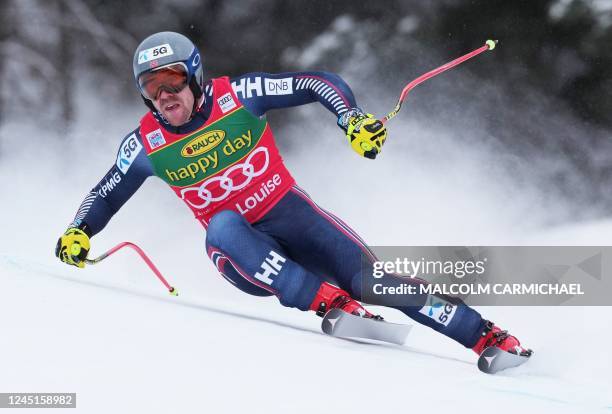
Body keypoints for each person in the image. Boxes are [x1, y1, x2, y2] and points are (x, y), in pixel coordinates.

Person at [55, 31, 530, 358]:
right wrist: (79, 231)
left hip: (291, 215)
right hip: (242, 254)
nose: (164, 95)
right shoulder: (144, 144)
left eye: (172, 80)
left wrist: (351, 119)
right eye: (151, 87)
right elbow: (105, 194)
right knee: (222, 224)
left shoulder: (238, 95)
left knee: (374, 281)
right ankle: (328, 301)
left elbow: (314, 82)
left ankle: (485, 336)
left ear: (195, 76)